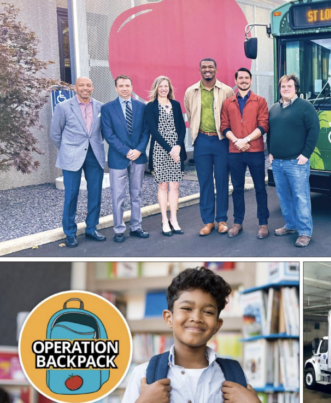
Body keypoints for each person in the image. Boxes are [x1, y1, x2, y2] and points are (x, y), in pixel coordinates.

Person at [121, 268, 260, 403]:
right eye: (186, 308)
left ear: (217, 325)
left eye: (208, 312)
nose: (196, 318)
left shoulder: (234, 378)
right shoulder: (143, 375)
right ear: (169, 318)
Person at [49, 77, 106, 248]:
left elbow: (102, 131)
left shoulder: (100, 106)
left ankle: (91, 228)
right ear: (75, 88)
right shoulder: (63, 107)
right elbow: (55, 134)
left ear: (93, 88)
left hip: (94, 155)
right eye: (81, 85)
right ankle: (70, 233)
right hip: (71, 156)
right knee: (71, 195)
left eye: (88, 85)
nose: (85, 88)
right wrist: (67, 149)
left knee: (95, 193)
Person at [268, 74, 319, 247]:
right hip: (277, 162)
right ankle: (290, 225)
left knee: (301, 197)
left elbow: (314, 131)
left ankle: (305, 232)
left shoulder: (305, 107)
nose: (286, 89)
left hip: (297, 163)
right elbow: (271, 131)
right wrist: (270, 152)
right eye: (283, 86)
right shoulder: (274, 108)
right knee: (284, 197)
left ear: (296, 88)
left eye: (289, 86)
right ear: (280, 88)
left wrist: (306, 154)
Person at [184, 58, 234, 237]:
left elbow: (231, 114)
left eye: (210, 67)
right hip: (202, 141)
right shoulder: (191, 91)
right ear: (199, 70)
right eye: (204, 67)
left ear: (216, 70)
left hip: (221, 141)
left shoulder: (227, 91)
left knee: (221, 180)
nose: (207, 70)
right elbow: (190, 113)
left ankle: (221, 220)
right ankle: (208, 221)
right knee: (204, 182)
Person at [221, 68, 270, 239]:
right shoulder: (228, 103)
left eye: (246, 78)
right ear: (235, 81)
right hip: (235, 152)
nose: (243, 80)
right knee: (237, 189)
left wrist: (246, 140)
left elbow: (264, 125)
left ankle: (263, 224)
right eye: (240, 78)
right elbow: (224, 126)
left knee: (260, 188)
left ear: (251, 80)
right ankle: (237, 223)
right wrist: (236, 141)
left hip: (255, 151)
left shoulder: (260, 101)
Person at [101, 75, 150, 243]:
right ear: (115, 88)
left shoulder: (141, 107)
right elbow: (108, 134)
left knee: (137, 193)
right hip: (118, 158)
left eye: (127, 85)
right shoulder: (107, 108)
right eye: (121, 85)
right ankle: (119, 229)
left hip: (138, 157)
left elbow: (146, 131)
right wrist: (126, 151)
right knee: (118, 195)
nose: (124, 88)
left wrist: (138, 150)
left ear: (132, 87)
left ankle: (136, 227)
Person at [144, 76, 187, 236]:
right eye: (161, 86)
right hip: (160, 149)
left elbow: (182, 128)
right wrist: (170, 149)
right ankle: (164, 221)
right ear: (156, 88)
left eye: (166, 86)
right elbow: (153, 131)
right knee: (163, 185)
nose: (163, 89)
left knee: (175, 185)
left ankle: (174, 219)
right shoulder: (150, 107)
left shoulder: (175, 105)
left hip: (176, 147)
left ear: (170, 88)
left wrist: (177, 146)